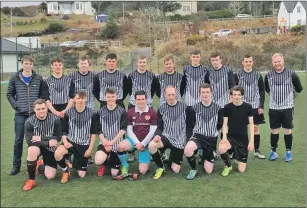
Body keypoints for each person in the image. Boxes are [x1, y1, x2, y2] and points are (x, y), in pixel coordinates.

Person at [7, 55, 43, 175]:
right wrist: (17, 106)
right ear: (22, 64)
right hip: (20, 115)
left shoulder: (38, 78)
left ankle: (35, 165)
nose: (28, 66)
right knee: (18, 140)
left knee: (35, 141)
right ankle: (16, 166)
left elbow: (42, 95)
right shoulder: (15, 78)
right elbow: (9, 94)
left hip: (34, 115)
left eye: (30, 63)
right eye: (26, 63)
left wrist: (38, 110)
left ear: (33, 64)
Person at [264, 53, 303, 162]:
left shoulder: (292, 74)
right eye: (275, 62)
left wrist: (289, 97)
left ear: (283, 61)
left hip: (287, 108)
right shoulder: (268, 75)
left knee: (287, 130)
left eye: (279, 61)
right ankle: (273, 152)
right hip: (274, 108)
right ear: (272, 63)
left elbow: (299, 88)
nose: (277, 63)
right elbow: (267, 89)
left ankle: (288, 152)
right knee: (274, 130)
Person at [148, 86, 192, 179]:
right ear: (165, 96)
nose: (171, 97)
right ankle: (161, 167)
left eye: (173, 94)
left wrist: (188, 140)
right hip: (166, 137)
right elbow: (160, 126)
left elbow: (189, 127)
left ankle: (172, 158)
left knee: (175, 169)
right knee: (151, 145)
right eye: (169, 95)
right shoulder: (162, 108)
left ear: (176, 94)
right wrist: (157, 135)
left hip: (179, 141)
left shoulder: (185, 108)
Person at [54, 90, 97, 183]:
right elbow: (64, 131)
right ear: (74, 99)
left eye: (82, 98)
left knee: (81, 175)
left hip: (83, 144)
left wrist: (89, 149)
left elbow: (93, 133)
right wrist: (65, 142)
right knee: (57, 153)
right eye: (78, 98)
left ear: (86, 99)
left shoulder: (92, 113)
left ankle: (74, 160)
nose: (80, 100)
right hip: (70, 141)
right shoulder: (68, 113)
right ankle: (66, 171)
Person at [184, 83, 223, 180]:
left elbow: (220, 124)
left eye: (207, 92)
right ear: (199, 94)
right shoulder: (194, 108)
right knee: (188, 149)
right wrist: (189, 140)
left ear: (211, 93)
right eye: (203, 92)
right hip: (198, 137)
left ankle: (205, 153)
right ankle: (194, 169)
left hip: (211, 140)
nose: (205, 94)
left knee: (208, 170)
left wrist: (212, 132)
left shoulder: (218, 108)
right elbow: (190, 126)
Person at [22, 99, 62, 191]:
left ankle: (39, 166)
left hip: (50, 148)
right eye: (38, 109)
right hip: (38, 147)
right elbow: (30, 141)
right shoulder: (29, 121)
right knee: (31, 150)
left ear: (47, 108)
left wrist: (39, 138)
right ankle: (31, 180)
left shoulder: (55, 119)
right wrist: (48, 142)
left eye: (43, 108)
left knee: (50, 176)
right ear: (34, 109)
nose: (41, 111)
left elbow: (58, 137)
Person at [125, 55, 159, 162]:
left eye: (144, 62)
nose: (142, 64)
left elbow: (154, 89)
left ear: (146, 63)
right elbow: (129, 89)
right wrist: (137, 100)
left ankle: (149, 148)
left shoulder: (151, 75)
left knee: (148, 128)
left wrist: (145, 100)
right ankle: (131, 152)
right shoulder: (131, 75)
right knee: (131, 128)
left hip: (147, 105)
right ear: (137, 63)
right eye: (140, 62)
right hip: (133, 104)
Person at [117, 90, 157, 176]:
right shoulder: (130, 112)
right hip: (134, 141)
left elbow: (152, 132)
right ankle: (125, 166)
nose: (141, 101)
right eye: (138, 99)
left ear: (146, 99)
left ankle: (147, 163)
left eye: (142, 99)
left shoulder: (152, 112)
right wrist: (137, 143)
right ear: (135, 100)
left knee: (142, 171)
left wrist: (142, 144)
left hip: (145, 143)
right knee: (120, 146)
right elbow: (129, 130)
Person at [218, 86, 254, 176]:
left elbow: (252, 125)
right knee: (221, 148)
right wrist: (225, 138)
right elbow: (225, 124)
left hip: (243, 139)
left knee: (241, 170)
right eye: (234, 94)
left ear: (242, 95)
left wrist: (252, 141)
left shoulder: (248, 107)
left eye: (239, 94)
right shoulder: (227, 108)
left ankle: (238, 157)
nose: (237, 97)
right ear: (231, 96)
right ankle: (228, 165)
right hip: (230, 137)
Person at [206, 52, 236, 160]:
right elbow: (206, 87)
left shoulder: (228, 71)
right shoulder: (208, 72)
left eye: (216, 60)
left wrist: (231, 103)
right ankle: (213, 150)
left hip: (225, 106)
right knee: (213, 129)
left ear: (221, 59)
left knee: (226, 129)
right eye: (212, 60)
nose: (214, 62)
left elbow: (233, 87)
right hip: (213, 107)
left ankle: (229, 150)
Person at [235, 54, 266, 159]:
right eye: (246, 61)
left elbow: (262, 90)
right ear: (243, 62)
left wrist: (261, 105)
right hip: (241, 106)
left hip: (255, 106)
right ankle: (240, 149)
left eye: (250, 61)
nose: (248, 63)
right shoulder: (238, 74)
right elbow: (234, 90)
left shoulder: (257, 75)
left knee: (255, 128)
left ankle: (256, 151)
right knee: (240, 129)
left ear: (253, 62)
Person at [156, 55, 185, 162]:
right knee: (164, 126)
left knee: (177, 127)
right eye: (166, 64)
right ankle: (162, 152)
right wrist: (163, 99)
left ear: (173, 64)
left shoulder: (180, 76)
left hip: (177, 106)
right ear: (164, 65)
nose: (168, 66)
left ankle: (176, 147)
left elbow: (182, 89)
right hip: (164, 105)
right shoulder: (159, 77)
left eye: (170, 63)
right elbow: (156, 90)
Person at [95, 88, 128, 177]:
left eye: (113, 96)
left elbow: (123, 129)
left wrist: (112, 142)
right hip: (104, 142)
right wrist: (105, 141)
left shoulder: (122, 111)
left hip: (117, 143)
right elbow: (98, 129)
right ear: (105, 97)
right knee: (98, 160)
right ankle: (103, 163)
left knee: (114, 173)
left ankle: (112, 158)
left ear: (116, 97)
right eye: (108, 97)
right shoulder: (100, 112)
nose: (110, 99)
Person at [70, 56, 96, 164]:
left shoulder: (94, 76)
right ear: (78, 65)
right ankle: (72, 153)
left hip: (90, 106)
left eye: (85, 63)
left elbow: (98, 90)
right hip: (77, 107)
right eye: (81, 63)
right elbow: (70, 92)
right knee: (75, 130)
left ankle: (88, 153)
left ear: (89, 64)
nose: (83, 65)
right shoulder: (72, 76)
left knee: (88, 131)